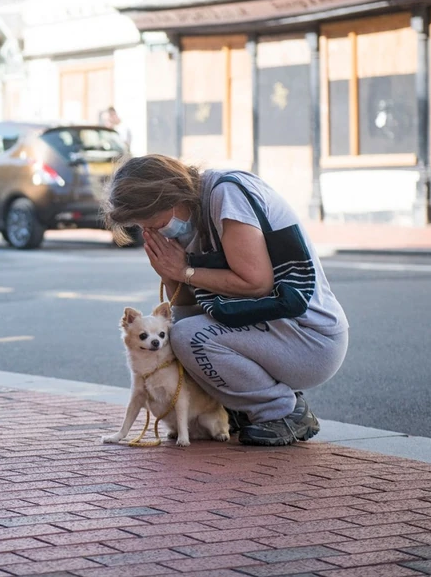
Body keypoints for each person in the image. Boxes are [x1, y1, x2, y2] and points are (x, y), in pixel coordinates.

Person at [104, 155, 349, 446]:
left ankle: (282, 412)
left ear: (170, 196)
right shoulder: (190, 218)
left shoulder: (225, 194)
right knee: (178, 332)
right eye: (144, 228)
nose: (153, 233)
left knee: (189, 337)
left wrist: (185, 270)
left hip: (310, 339)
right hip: (274, 334)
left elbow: (256, 281)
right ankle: (244, 407)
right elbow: (187, 311)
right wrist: (171, 275)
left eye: (154, 223)